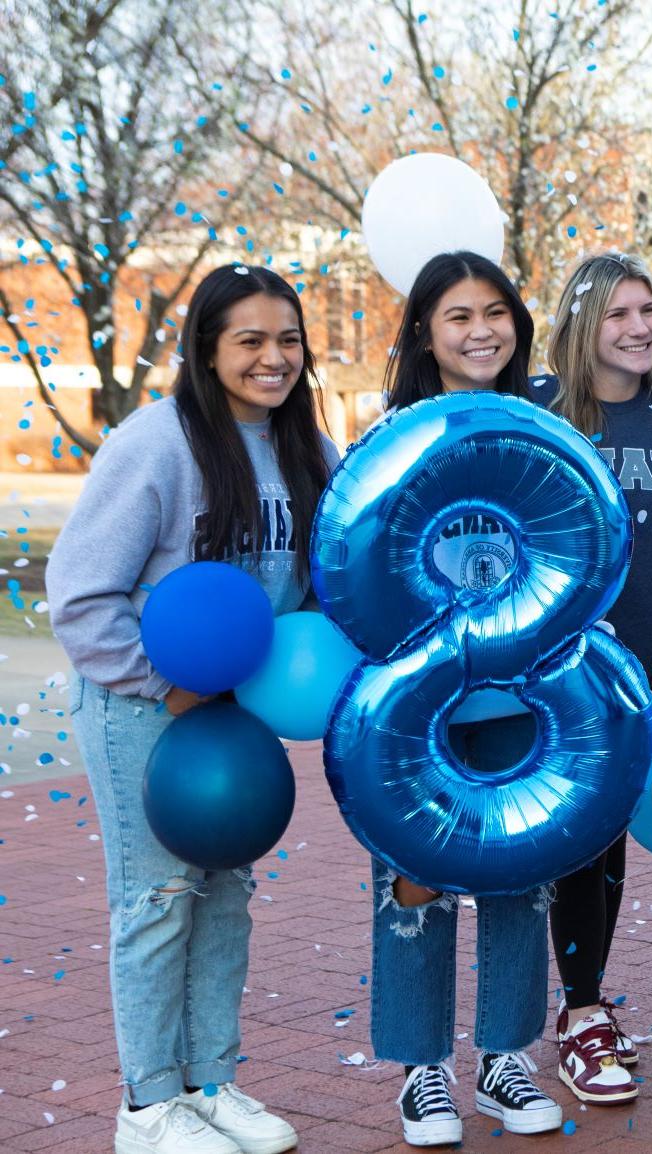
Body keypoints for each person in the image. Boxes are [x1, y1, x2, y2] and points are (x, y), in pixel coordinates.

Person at [48, 265, 335, 1154]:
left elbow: (319, 589)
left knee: (226, 895)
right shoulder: (156, 442)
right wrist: (159, 680)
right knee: (158, 898)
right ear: (207, 350)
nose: (273, 357)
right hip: (144, 707)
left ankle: (213, 1085)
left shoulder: (309, 449)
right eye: (249, 339)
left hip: (237, 716)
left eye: (287, 339)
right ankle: (148, 1105)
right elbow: (79, 594)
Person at [368, 251, 563, 1146]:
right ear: (424, 332)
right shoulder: (393, 436)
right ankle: (422, 1072)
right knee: (416, 880)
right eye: (458, 315)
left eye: (496, 311)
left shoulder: (543, 427)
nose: (481, 329)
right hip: (419, 700)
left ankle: (506, 1059)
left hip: (523, 692)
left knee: (522, 869)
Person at [541, 252, 652, 1104]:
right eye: (619, 314)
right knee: (570, 834)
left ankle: (584, 1002)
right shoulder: (542, 408)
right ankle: (578, 1008)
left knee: (606, 837)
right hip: (556, 661)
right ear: (583, 325)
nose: (641, 328)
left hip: (647, 653)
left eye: (650, 310)